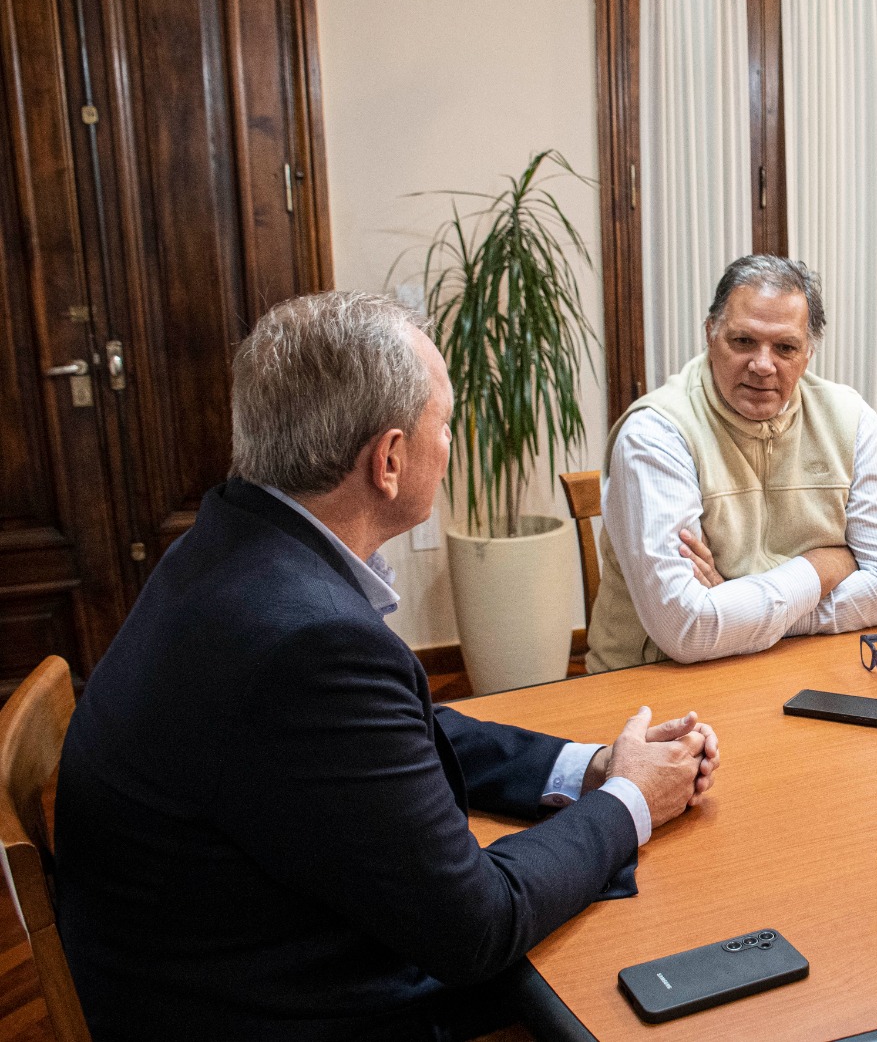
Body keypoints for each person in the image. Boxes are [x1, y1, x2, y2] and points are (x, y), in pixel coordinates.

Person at [54, 292, 721, 1040]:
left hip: (219, 955)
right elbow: (476, 926)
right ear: (390, 459)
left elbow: (395, 729)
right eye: (446, 424)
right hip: (275, 1010)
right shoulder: (308, 642)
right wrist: (631, 801)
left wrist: (588, 768)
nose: (451, 445)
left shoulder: (234, 544)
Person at [586, 254, 877, 673]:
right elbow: (688, 629)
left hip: (795, 668)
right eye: (743, 341)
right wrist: (824, 566)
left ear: (808, 353)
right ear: (710, 334)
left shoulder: (851, 420)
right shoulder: (655, 434)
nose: (762, 365)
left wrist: (738, 608)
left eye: (785, 348)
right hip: (652, 684)